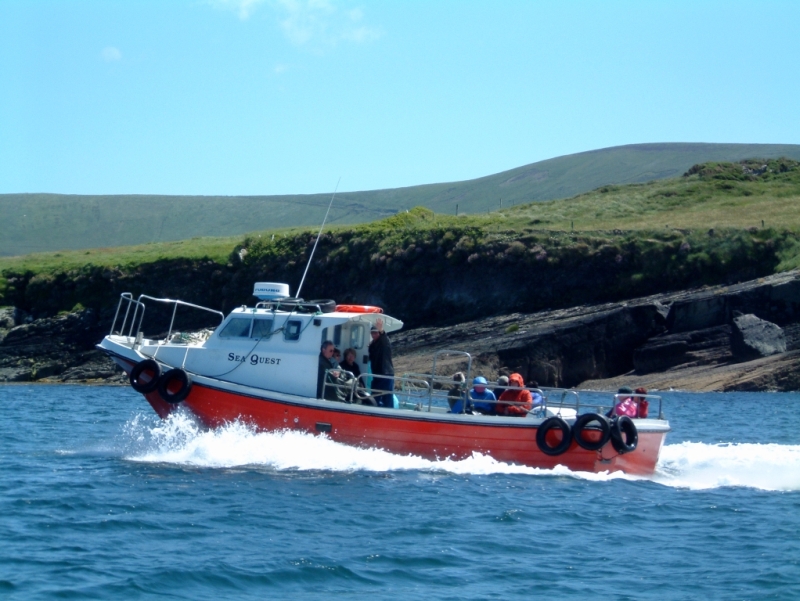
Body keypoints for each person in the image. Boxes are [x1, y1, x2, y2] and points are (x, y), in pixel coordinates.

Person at [368, 318, 395, 408]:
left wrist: (381, 330)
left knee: (387, 398)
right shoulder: (372, 345)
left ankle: (388, 414)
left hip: (386, 374)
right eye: (372, 333)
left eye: (376, 332)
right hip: (377, 374)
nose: (374, 334)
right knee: (375, 396)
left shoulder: (384, 342)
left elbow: (384, 338)